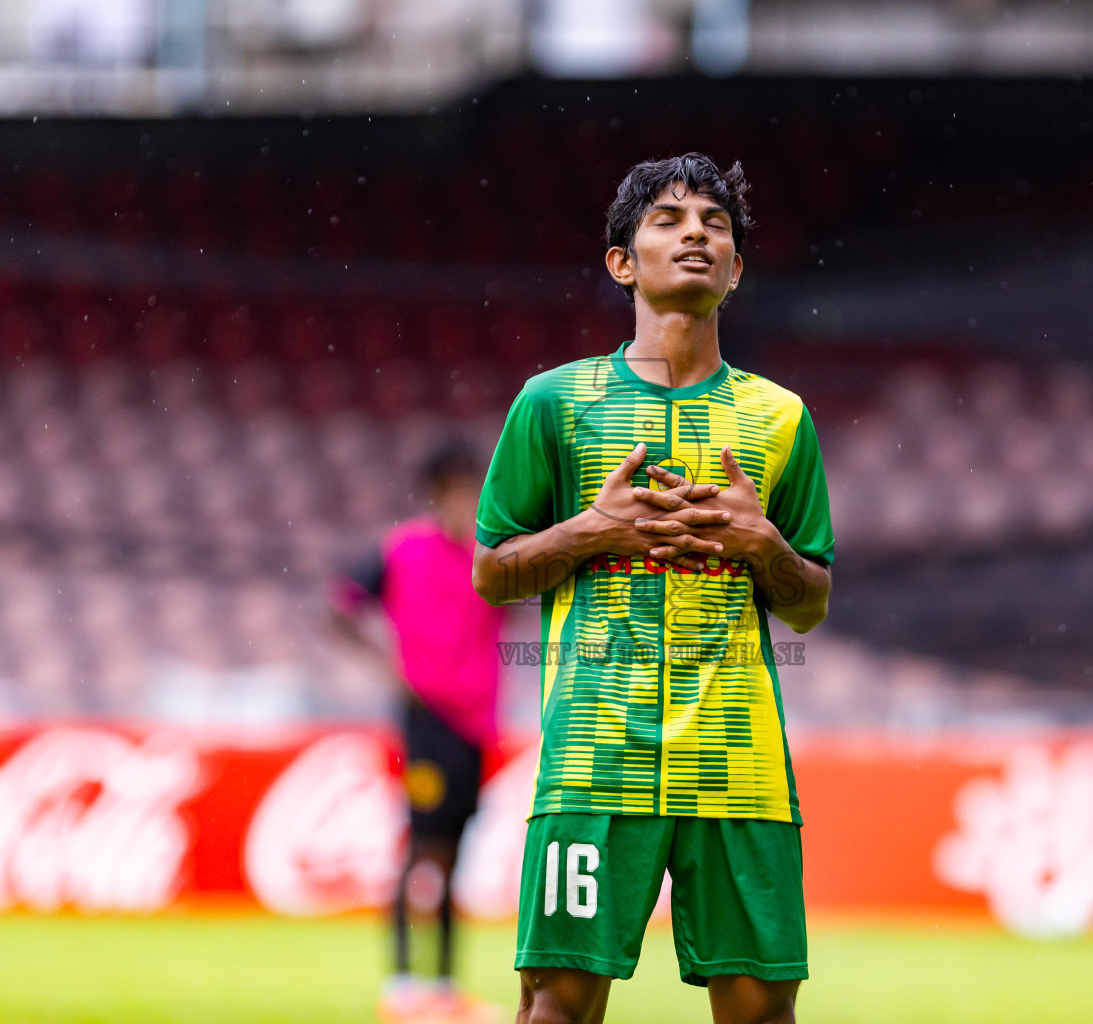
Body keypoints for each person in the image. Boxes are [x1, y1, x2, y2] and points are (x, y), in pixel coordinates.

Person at [472, 154, 834, 1024]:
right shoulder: (556, 404)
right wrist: (593, 531)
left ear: (737, 269)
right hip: (595, 758)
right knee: (557, 1007)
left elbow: (811, 601)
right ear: (622, 262)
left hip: (737, 765)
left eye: (716, 224)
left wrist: (761, 546)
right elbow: (490, 571)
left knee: (761, 1012)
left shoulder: (781, 418)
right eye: (669, 220)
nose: (697, 234)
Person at [329, 440, 504, 1024]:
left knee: (454, 855)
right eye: (459, 490)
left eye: (474, 489)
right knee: (421, 848)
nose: (469, 500)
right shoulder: (403, 550)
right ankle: (402, 986)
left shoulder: (493, 555)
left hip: (477, 721)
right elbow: (340, 607)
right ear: (437, 494)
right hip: (427, 717)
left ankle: (446, 989)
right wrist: (389, 667)